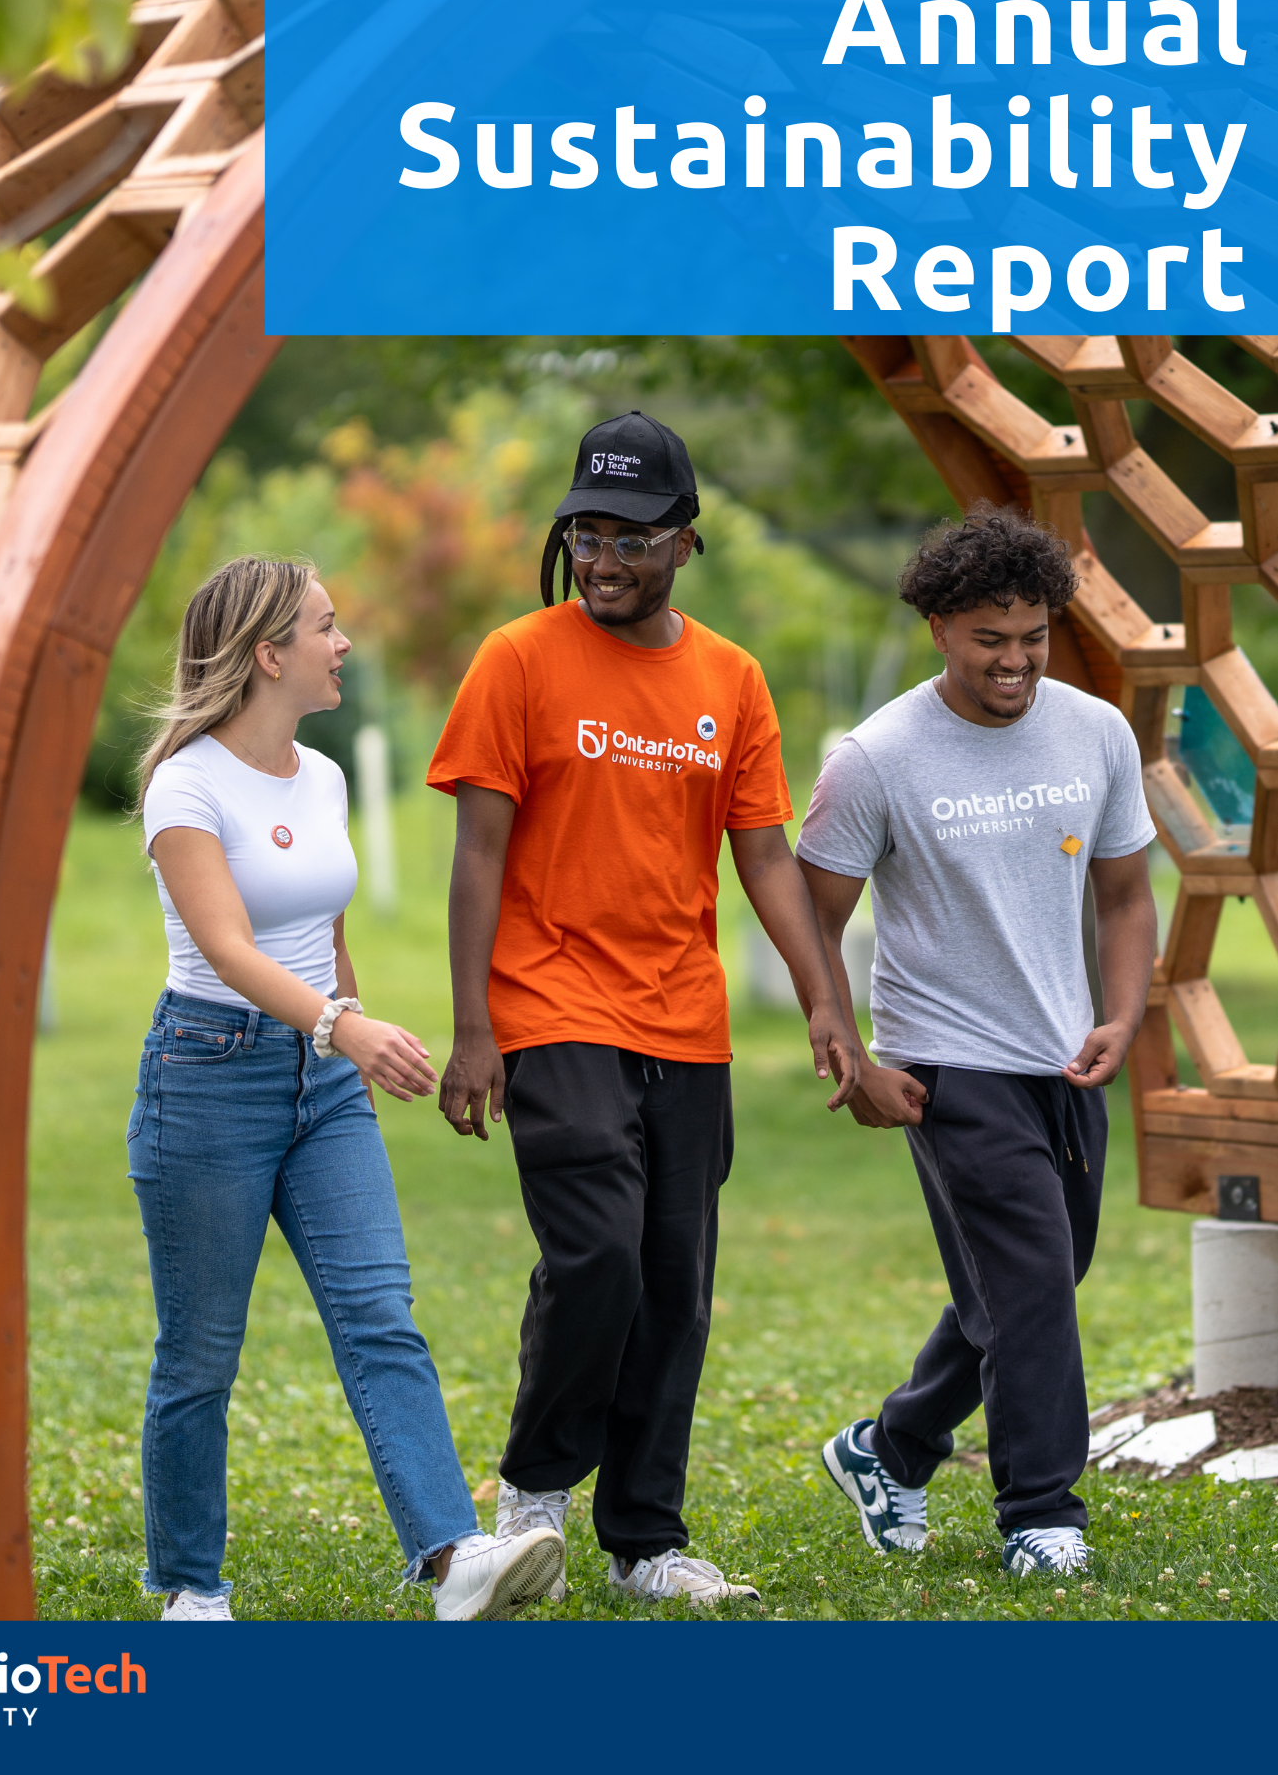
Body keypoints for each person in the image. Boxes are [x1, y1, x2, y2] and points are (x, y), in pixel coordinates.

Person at [427, 412, 859, 1607]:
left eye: (631, 536)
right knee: (600, 1255)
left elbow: (766, 858)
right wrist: (475, 1028)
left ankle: (644, 1541)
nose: (605, 557)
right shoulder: (517, 657)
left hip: (686, 1018)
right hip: (552, 1000)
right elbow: (477, 855)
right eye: (587, 533)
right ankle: (534, 1487)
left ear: (685, 540)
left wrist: (826, 999)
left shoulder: (732, 678)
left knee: (675, 1277)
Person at [129, 556, 563, 1622]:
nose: (344, 644)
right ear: (269, 652)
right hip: (207, 1077)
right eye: (327, 627)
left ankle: (451, 1556)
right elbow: (227, 946)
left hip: (321, 1085)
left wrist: (345, 1038)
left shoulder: (317, 776)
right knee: (200, 1351)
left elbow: (321, 928)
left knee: (380, 1315)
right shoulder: (184, 781)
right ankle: (190, 1584)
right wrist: (343, 1026)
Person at [796, 505, 1158, 1578]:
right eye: (990, 639)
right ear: (940, 627)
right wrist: (853, 1054)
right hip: (948, 1061)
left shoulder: (1096, 730)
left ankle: (891, 1445)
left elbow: (1129, 893)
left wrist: (1124, 1012)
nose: (1016, 661)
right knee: (1034, 1281)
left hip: (1062, 1052)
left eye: (1034, 637)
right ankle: (1041, 1511)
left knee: (1041, 1274)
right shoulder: (880, 756)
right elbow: (812, 913)